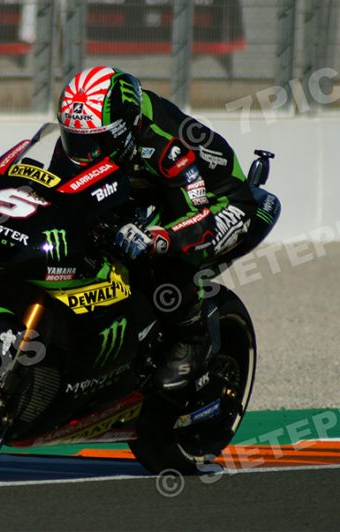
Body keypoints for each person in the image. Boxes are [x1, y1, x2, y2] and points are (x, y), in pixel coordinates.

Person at [56, 66, 281, 391]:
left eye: (94, 143)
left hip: (220, 203)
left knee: (170, 254)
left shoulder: (165, 142)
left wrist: (158, 238)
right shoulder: (95, 133)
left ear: (124, 128)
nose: (83, 154)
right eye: (74, 140)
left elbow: (199, 218)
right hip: (158, 191)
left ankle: (192, 338)